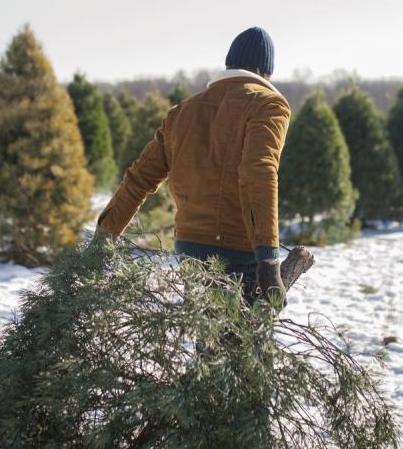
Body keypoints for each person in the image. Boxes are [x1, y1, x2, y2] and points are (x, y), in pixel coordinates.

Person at [94, 26, 292, 305]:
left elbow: (139, 178)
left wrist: (104, 237)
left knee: (210, 343)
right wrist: (269, 259)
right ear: (266, 73)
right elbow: (259, 172)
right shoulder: (269, 104)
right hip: (236, 251)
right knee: (238, 344)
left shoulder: (182, 111)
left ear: (228, 65)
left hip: (189, 247)